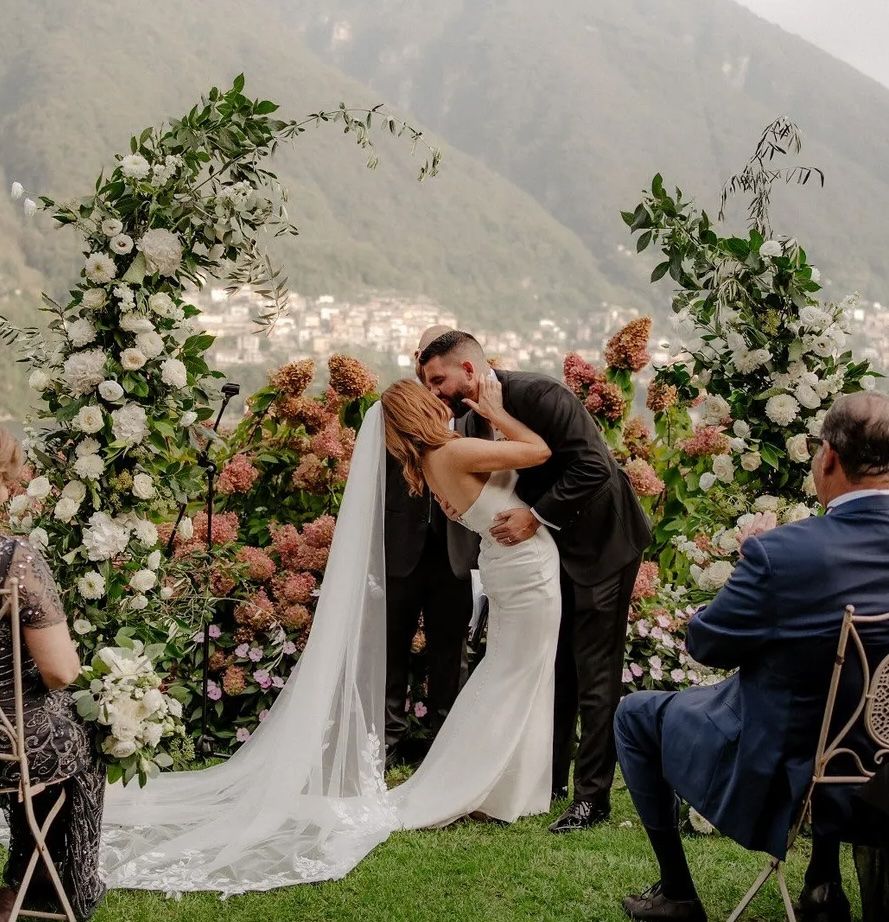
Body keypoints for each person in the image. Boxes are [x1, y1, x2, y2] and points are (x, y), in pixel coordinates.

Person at [614, 391, 889, 922]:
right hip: (879, 775)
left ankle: (676, 894)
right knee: (832, 701)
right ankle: (823, 881)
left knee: (635, 715)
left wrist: (749, 586)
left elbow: (706, 646)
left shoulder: (783, 553)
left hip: (787, 769)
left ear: (828, 457)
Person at [417, 330, 651, 829]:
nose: (433, 390)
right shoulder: (468, 419)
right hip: (548, 556)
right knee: (559, 664)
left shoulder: (538, 395)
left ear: (468, 369)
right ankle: (552, 778)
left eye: (438, 378)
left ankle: (593, 799)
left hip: (602, 544)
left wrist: (537, 517)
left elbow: (594, 465)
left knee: (595, 672)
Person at [382, 375, 561, 826]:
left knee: (511, 672)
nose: (441, 399)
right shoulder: (453, 451)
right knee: (515, 675)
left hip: (504, 562)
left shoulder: (428, 461)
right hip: (525, 569)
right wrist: (497, 414)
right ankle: (474, 781)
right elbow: (539, 450)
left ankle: (506, 784)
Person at [0, 429, 106, 921]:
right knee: (85, 725)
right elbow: (62, 671)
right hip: (8, 744)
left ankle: (30, 869)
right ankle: (53, 875)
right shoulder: (12, 560)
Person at [384, 326, 473, 766]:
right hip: (400, 550)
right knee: (389, 651)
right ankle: (386, 742)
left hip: (453, 554)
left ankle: (448, 749)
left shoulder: (472, 412)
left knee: (450, 654)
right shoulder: (395, 409)